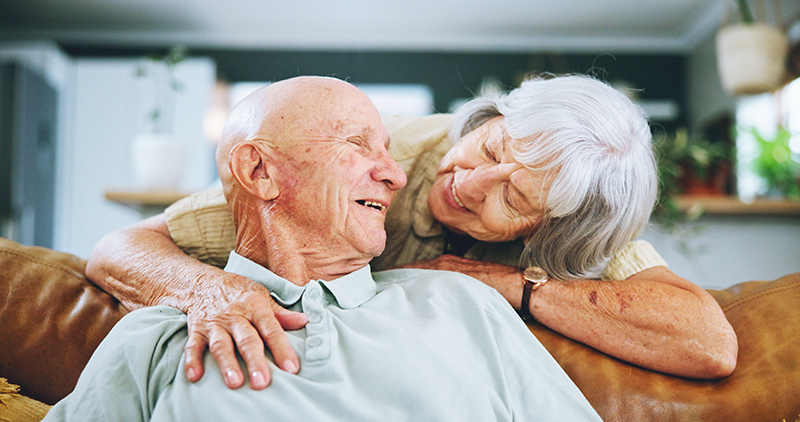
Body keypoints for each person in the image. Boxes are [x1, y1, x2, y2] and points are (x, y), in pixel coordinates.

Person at [87, 75, 738, 391]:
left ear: (553, 229)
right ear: (487, 118)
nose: (467, 183)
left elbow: (706, 341)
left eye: (511, 197)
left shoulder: (576, 211)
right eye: (488, 149)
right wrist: (206, 290)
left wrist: (510, 284)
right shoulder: (363, 158)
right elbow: (120, 248)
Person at [45, 76, 602, 421]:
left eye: (387, 149)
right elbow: (119, 248)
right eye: (358, 146)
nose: (397, 176)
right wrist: (204, 288)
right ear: (259, 171)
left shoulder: (467, 304)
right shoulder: (153, 338)